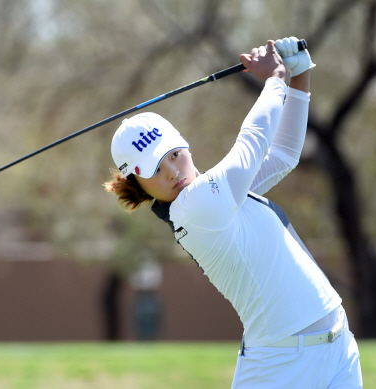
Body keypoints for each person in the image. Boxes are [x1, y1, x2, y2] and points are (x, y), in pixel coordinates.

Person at [104, 37, 362, 388]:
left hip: (338, 349)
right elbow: (253, 140)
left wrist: (298, 76)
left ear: (185, 145)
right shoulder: (194, 207)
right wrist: (274, 79)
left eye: (174, 155)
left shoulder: (222, 191)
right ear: (139, 182)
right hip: (280, 367)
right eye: (155, 170)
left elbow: (284, 154)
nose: (172, 172)